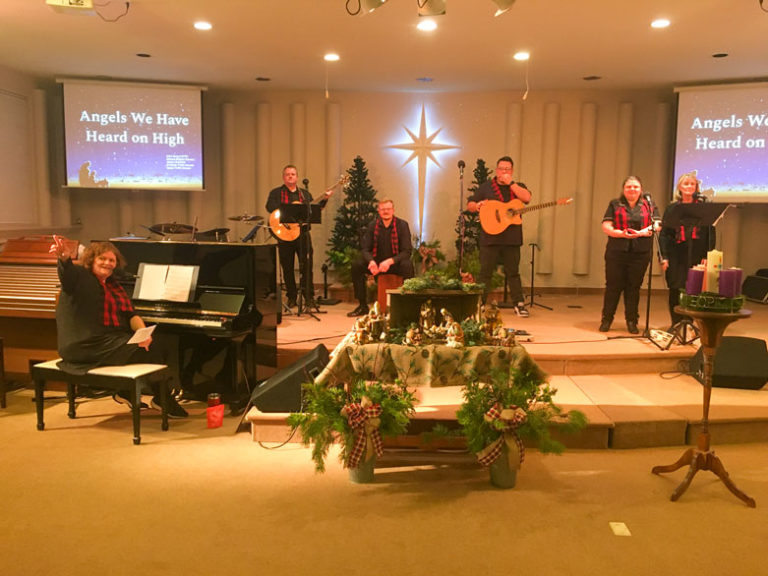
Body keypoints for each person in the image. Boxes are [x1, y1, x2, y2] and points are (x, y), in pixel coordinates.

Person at [49, 235, 188, 418]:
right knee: (151, 350)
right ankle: (161, 398)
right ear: (92, 260)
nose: (107, 263)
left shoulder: (114, 285)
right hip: (84, 344)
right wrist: (64, 258)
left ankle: (130, 391)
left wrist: (142, 332)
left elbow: (130, 314)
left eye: (111, 260)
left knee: (155, 343)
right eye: (102, 259)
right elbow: (67, 276)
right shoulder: (81, 277)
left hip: (106, 341)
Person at [466, 156, 531, 317]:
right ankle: (479, 303)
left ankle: (519, 303)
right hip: (490, 237)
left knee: (513, 272)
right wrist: (478, 205)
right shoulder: (486, 187)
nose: (504, 172)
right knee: (485, 272)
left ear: (512, 171)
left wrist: (511, 184)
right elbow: (470, 205)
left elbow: (527, 198)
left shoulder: (517, 186)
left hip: (512, 238)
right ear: (496, 170)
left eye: (507, 169)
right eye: (501, 169)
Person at [599, 176, 660, 334]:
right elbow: (606, 225)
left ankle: (632, 321)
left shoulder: (649, 204)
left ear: (641, 189)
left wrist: (642, 232)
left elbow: (657, 224)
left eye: (635, 187)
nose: (632, 189)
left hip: (640, 253)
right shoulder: (615, 204)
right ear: (623, 189)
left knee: (633, 288)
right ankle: (607, 319)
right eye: (629, 187)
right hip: (617, 251)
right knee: (613, 286)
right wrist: (621, 234)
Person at [265, 165, 332, 308]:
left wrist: (325, 198)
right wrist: (289, 208)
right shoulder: (276, 193)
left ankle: (308, 298)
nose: (290, 176)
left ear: (297, 177)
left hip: (302, 235)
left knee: (307, 266)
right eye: (287, 174)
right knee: (287, 267)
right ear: (284, 177)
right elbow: (269, 208)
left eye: (293, 174)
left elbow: (315, 209)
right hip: (284, 235)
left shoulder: (304, 194)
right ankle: (292, 297)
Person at [658, 171, 716, 327]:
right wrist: (664, 256)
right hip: (676, 253)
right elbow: (664, 234)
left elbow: (710, 233)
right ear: (680, 187)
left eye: (692, 184)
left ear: (696, 187)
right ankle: (676, 323)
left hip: (697, 252)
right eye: (686, 184)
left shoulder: (704, 208)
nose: (689, 186)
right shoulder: (672, 208)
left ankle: (689, 322)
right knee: (675, 288)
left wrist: (707, 255)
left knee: (693, 289)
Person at [348, 198, 414, 317]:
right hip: (377, 264)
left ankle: (407, 305)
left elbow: (407, 251)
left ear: (393, 210)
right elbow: (365, 249)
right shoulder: (373, 226)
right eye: (383, 209)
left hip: (395, 264)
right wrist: (371, 262)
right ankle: (362, 305)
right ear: (379, 211)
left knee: (407, 265)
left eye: (388, 209)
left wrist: (390, 261)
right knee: (356, 265)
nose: (386, 211)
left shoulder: (402, 225)